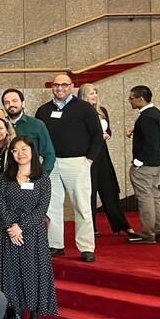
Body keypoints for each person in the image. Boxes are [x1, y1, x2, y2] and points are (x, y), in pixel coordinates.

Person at [0, 136, 56, 319]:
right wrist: (11, 227)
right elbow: (0, 204)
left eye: (24, 149)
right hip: (8, 234)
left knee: (34, 276)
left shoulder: (42, 178)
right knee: (10, 275)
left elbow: (42, 208)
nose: (20, 154)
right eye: (15, 150)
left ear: (32, 151)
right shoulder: (6, 177)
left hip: (32, 234)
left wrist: (20, 227)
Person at [35, 72, 102, 261]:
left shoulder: (84, 108)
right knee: (52, 206)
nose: (60, 88)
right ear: (52, 87)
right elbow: (38, 138)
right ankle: (55, 244)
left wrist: (89, 160)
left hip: (77, 162)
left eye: (64, 85)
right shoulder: (43, 111)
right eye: (56, 85)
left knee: (82, 205)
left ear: (72, 86)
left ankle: (86, 247)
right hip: (51, 163)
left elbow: (97, 136)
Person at [77, 84, 134, 237]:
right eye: (91, 93)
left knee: (109, 188)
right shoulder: (78, 112)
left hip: (102, 153)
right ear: (83, 95)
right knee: (89, 192)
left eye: (95, 93)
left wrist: (107, 134)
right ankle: (90, 226)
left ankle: (121, 225)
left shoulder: (102, 111)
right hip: (88, 154)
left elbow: (108, 130)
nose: (94, 96)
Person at [127, 86, 160, 244]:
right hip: (155, 163)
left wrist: (138, 161)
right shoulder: (155, 113)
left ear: (141, 99)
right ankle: (158, 231)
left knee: (145, 197)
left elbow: (151, 143)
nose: (129, 101)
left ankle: (148, 233)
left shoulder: (146, 117)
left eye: (131, 98)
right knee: (154, 195)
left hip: (145, 165)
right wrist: (136, 131)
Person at [1, 88, 56, 175]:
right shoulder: (0, 125)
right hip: (6, 176)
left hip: (31, 176)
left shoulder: (37, 125)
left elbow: (49, 155)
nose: (11, 104)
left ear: (23, 103)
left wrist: (41, 176)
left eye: (14, 101)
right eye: (7, 102)